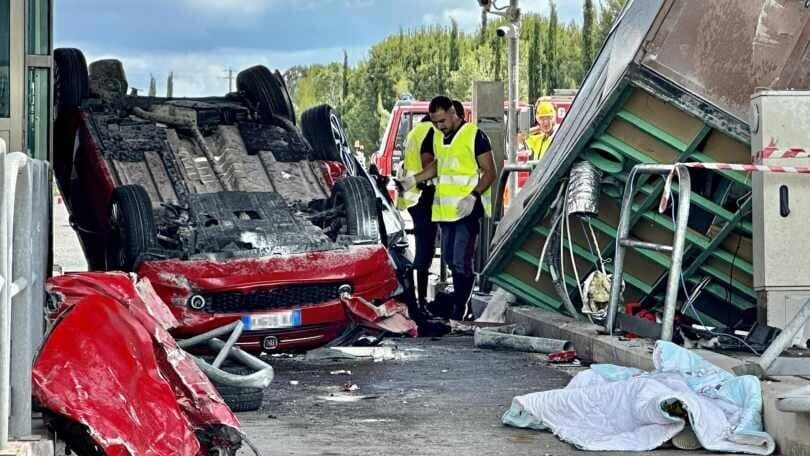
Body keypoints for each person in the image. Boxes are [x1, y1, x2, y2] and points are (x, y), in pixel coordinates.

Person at [398, 96, 496, 321]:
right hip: (445, 212)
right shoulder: (439, 138)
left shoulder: (474, 135)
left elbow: (490, 171)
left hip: (467, 210)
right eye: (435, 122)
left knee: (461, 261)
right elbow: (436, 167)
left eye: (442, 121)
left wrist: (473, 196)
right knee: (451, 260)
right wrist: (414, 180)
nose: (438, 126)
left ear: (454, 113)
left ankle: (460, 309)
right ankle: (459, 305)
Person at [395, 114, 438, 320]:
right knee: (425, 253)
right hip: (424, 195)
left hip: (413, 199)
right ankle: (419, 304)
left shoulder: (414, 132)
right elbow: (428, 163)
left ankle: (417, 301)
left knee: (422, 250)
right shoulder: (431, 131)